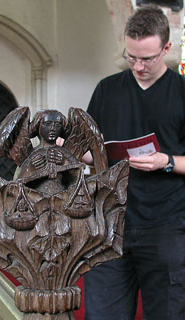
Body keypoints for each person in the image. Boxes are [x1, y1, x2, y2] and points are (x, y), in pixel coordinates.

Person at [83, 5, 185, 320]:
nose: (138, 66)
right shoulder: (107, 89)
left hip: (166, 226)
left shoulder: (181, 92)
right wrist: (70, 150)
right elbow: (91, 152)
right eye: (131, 57)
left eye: (147, 58)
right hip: (109, 224)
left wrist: (165, 161)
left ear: (166, 48)